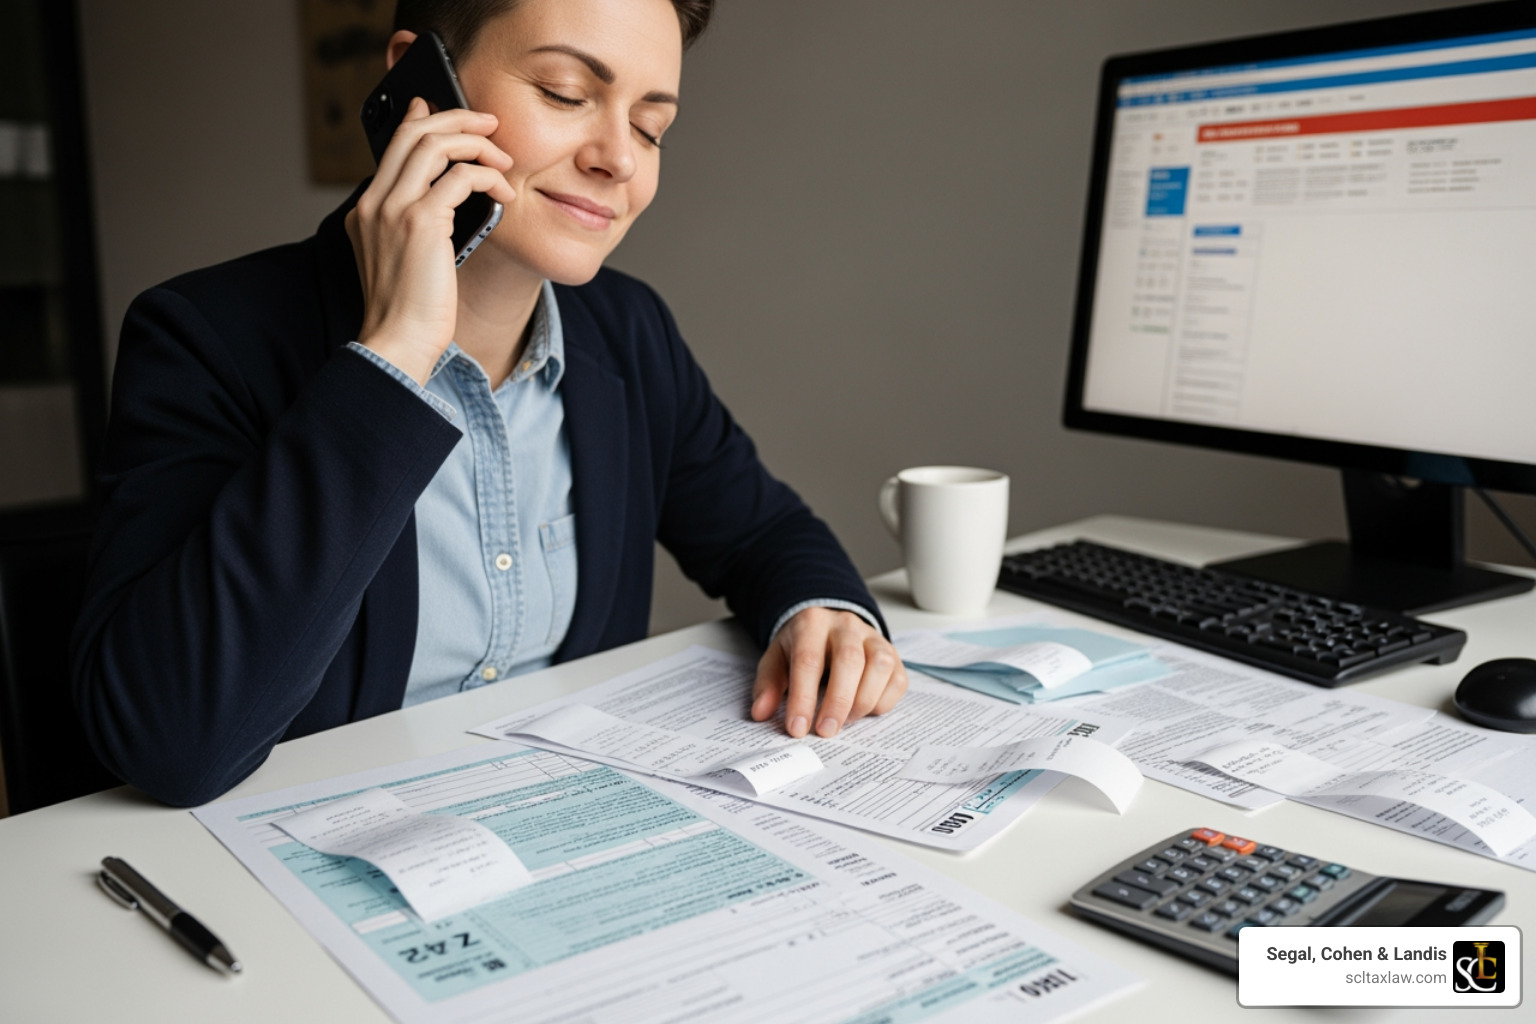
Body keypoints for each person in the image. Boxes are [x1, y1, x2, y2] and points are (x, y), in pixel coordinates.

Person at [70, 0, 908, 807]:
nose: (618, 157)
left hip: (576, 835)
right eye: (566, 95)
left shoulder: (627, 330)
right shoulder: (207, 337)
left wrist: (822, 610)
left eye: (652, 126)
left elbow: (761, 531)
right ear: (419, 88)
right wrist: (391, 358)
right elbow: (172, 742)